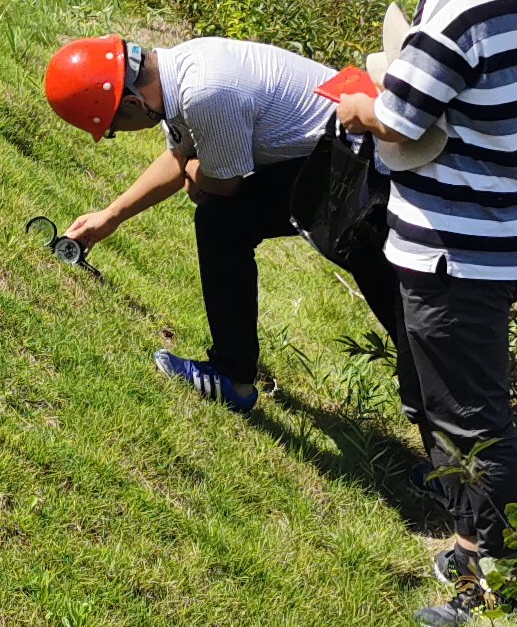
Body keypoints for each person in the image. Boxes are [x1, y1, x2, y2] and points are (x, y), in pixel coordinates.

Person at [319, 0, 517, 627]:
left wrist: (360, 105)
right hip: (503, 235)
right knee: (468, 401)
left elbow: (400, 118)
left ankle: (498, 577)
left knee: (468, 419)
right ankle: (475, 544)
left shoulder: (459, 7)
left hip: (452, 248)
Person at [44, 29, 381, 417]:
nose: (117, 135)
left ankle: (232, 378)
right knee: (224, 219)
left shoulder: (205, 93)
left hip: (362, 162)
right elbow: (180, 157)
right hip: (342, 146)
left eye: (113, 130)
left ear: (134, 103)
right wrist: (110, 217)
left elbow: (224, 184)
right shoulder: (179, 71)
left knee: (222, 222)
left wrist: (198, 173)